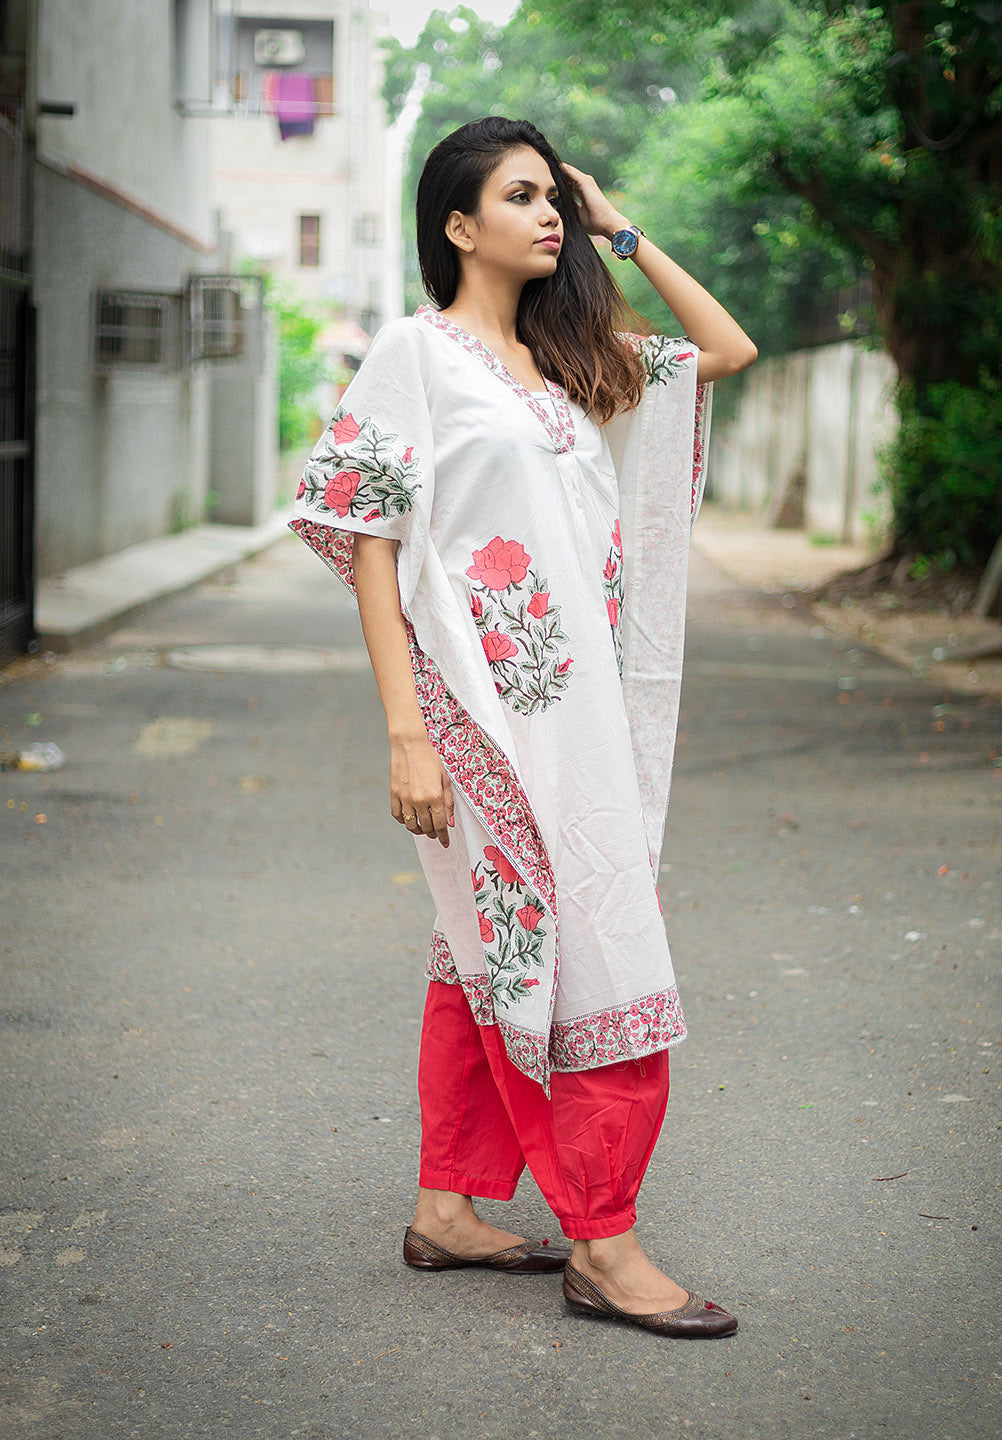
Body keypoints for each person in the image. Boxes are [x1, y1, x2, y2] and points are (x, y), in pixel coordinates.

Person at [290, 116, 756, 1338]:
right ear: (458, 225)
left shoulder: (572, 362)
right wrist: (406, 731)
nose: (550, 213)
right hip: (474, 716)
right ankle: (605, 1241)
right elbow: (372, 542)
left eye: (555, 195)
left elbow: (728, 347)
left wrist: (624, 228)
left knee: (487, 943)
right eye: (522, 196)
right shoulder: (417, 354)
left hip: (580, 713)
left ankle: (448, 1208)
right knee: (592, 948)